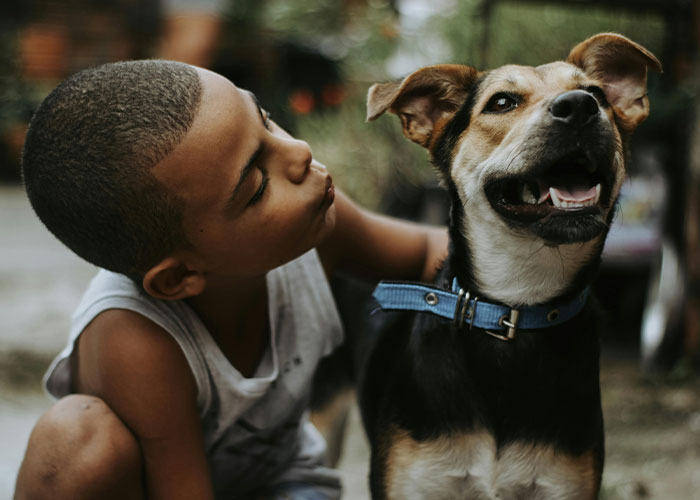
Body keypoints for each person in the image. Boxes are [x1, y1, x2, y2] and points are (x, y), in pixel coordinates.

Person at [14, 60, 447, 500]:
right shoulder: (136, 337)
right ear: (181, 276)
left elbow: (433, 253)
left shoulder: (313, 221)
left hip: (281, 484)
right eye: (257, 185)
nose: (299, 153)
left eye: (266, 122)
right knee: (73, 435)